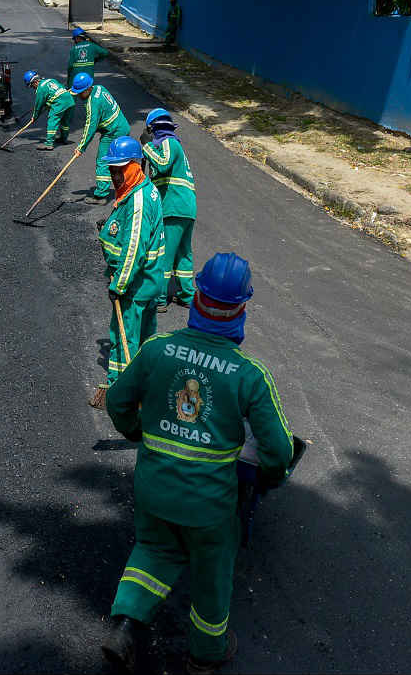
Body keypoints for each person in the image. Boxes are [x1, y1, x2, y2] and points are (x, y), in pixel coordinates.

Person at [102, 252, 295, 674]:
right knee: (212, 573)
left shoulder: (156, 350)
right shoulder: (250, 375)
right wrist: (268, 478)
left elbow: (117, 401)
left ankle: (126, 624)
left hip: (154, 490)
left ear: (197, 299)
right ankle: (206, 655)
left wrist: (136, 432)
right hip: (209, 508)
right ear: (241, 309)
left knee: (152, 551)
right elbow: (279, 451)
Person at [96, 137, 165, 391]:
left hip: (136, 285)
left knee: (124, 337)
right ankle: (144, 384)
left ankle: (120, 389)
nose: (115, 176)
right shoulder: (145, 189)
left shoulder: (138, 201)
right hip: (150, 281)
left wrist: (119, 285)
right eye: (112, 170)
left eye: (120, 170)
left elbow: (133, 249)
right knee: (145, 339)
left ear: (135, 166)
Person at [141, 108, 197, 311]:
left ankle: (160, 298)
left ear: (153, 129)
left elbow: (163, 165)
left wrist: (146, 146)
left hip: (173, 206)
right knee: (183, 253)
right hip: (185, 208)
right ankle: (187, 295)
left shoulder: (167, 142)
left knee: (164, 253)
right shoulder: (174, 146)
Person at [72, 72, 131, 203]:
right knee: (121, 161)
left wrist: (81, 147)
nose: (79, 96)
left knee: (103, 161)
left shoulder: (92, 104)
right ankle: (130, 187)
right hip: (122, 125)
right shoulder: (100, 88)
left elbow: (90, 127)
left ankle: (101, 195)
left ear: (88, 89)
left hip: (113, 132)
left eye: (81, 93)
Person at [23, 71, 75, 149]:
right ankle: (64, 138)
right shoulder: (51, 80)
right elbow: (57, 90)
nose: (32, 88)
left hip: (59, 103)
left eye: (31, 86)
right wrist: (48, 103)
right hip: (69, 101)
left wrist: (34, 117)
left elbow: (38, 106)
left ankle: (49, 144)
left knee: (52, 121)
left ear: (35, 82)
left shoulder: (40, 89)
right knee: (64, 122)